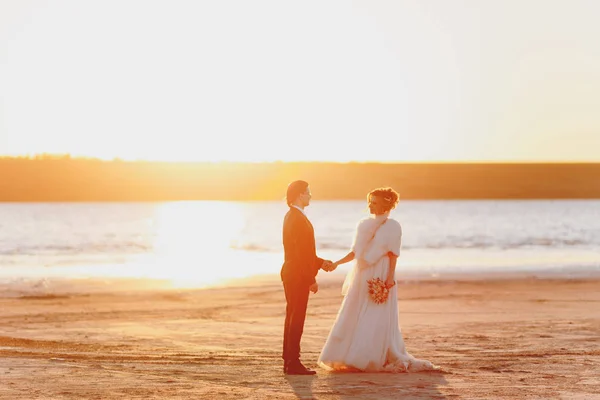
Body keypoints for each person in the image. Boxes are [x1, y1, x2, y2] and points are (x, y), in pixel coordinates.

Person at [318, 187, 439, 372]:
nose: (370, 206)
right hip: (362, 273)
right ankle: (348, 355)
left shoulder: (393, 226)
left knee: (376, 313)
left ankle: (370, 356)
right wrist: (336, 263)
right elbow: (355, 252)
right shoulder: (363, 225)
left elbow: (393, 254)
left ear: (386, 204)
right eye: (370, 202)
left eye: (374, 202)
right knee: (354, 310)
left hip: (381, 272)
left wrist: (390, 278)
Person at [281, 180, 333, 375]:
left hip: (291, 271)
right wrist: (311, 278)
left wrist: (320, 263)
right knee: (297, 318)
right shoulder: (297, 217)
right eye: (308, 192)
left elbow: (302, 251)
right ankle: (293, 362)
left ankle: (289, 360)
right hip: (297, 274)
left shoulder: (292, 216)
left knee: (292, 316)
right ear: (300, 195)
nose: (310, 195)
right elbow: (301, 254)